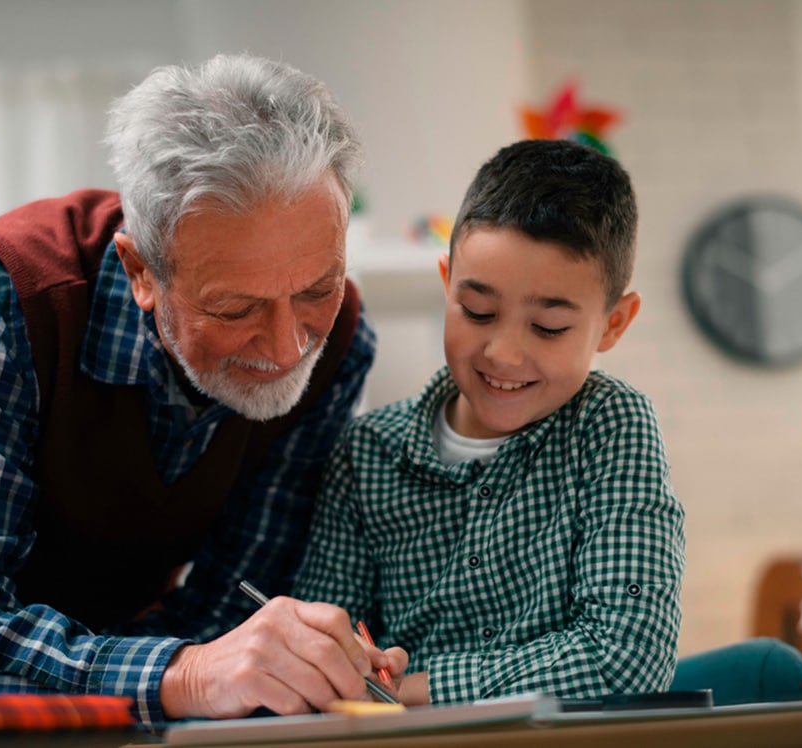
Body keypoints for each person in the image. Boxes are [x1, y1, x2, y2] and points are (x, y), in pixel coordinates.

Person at [0, 53, 390, 727]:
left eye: (315, 289)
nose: (290, 346)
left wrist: (262, 661)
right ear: (140, 271)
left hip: (85, 640)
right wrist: (186, 672)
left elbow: (229, 610)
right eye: (237, 309)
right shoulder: (0, 296)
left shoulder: (341, 343)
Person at [293, 139, 686, 706]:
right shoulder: (367, 451)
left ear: (613, 324)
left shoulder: (610, 427)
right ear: (447, 282)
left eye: (548, 327)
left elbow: (626, 658)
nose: (503, 353)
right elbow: (325, 656)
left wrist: (413, 691)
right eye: (477, 311)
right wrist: (352, 665)